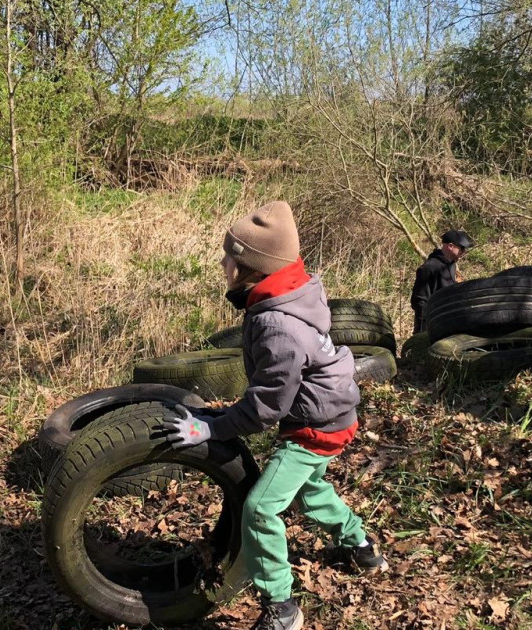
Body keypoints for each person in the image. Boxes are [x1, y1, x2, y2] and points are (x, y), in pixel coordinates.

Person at [163, 200, 387, 630]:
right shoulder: (287, 292)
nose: (223, 262)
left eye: (231, 255)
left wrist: (208, 426)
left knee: (261, 509)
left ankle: (283, 608)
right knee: (309, 490)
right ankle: (360, 543)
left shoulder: (277, 325)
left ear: (252, 267)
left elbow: (266, 407)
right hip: (332, 414)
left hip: (314, 429)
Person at [409, 229, 475, 333]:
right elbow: (419, 302)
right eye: (462, 248)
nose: (463, 252)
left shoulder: (452, 265)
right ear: (450, 246)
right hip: (430, 328)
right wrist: (423, 333)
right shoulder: (429, 268)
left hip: (447, 325)